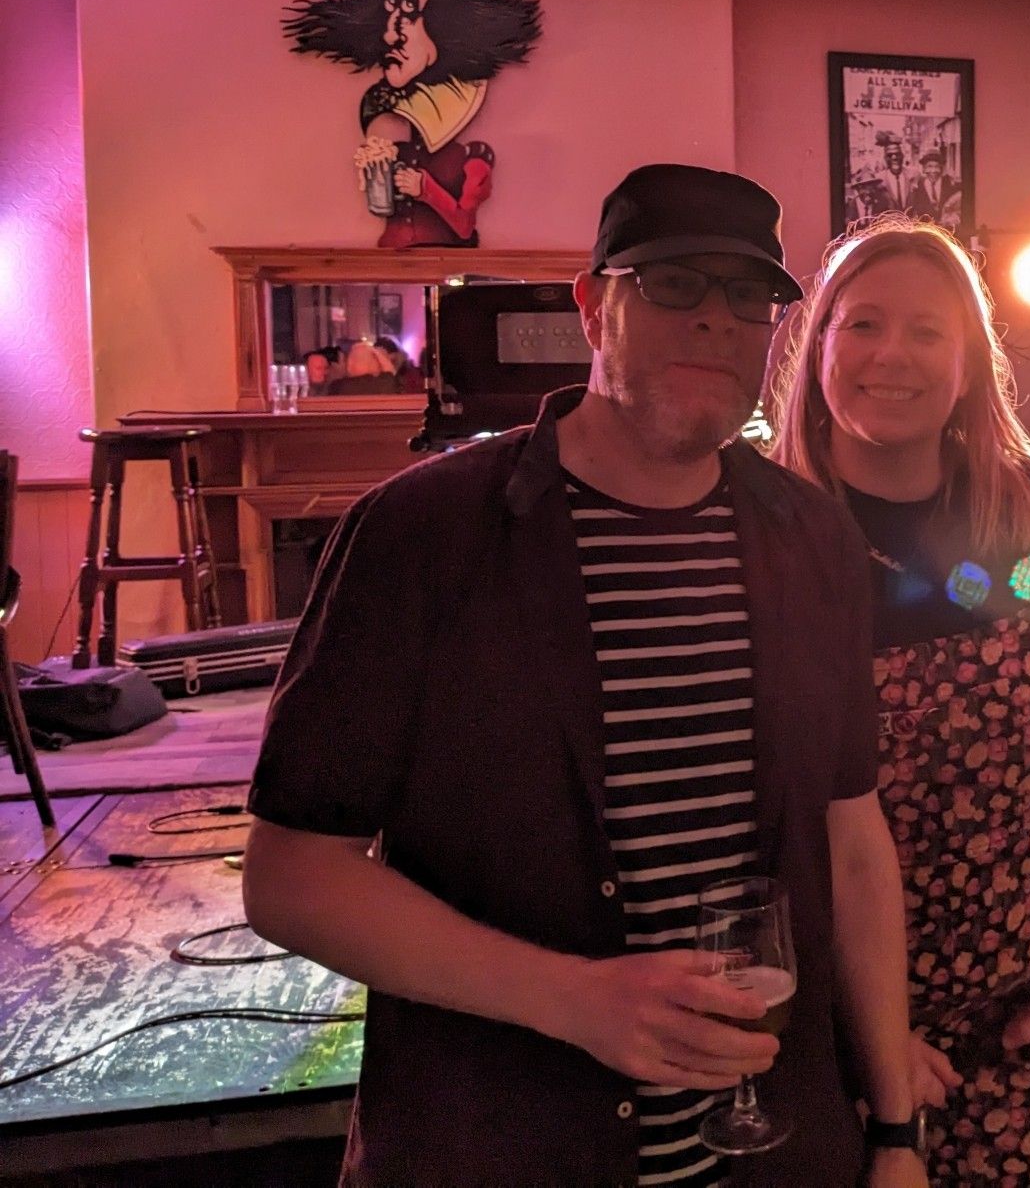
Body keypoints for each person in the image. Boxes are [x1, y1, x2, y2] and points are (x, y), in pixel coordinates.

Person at [243, 164, 927, 1188]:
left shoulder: (811, 537)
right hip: (499, 1144)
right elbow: (291, 874)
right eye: (673, 285)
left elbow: (852, 842)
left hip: (777, 1152)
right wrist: (574, 997)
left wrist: (894, 1131)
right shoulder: (421, 534)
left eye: (747, 298)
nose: (715, 321)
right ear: (590, 303)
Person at [769, 215, 1030, 1184]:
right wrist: (856, 1037)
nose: (890, 354)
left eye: (926, 331)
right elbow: (746, 824)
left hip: (1022, 1029)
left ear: (969, 364)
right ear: (816, 347)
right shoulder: (765, 540)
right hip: (821, 1043)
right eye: (860, 325)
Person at [285, 0, 541, 249]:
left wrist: (425, 189)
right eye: (391, 6)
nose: (391, 34)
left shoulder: (472, 158)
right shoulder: (397, 149)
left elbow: (464, 228)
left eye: (408, 5)